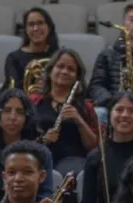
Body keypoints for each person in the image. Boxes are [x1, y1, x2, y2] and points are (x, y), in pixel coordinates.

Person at [81, 91, 133, 203]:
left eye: (132, 111)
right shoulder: (96, 156)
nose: (125, 115)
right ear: (110, 115)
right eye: (119, 110)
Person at [33, 48, 100, 176]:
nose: (64, 71)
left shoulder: (85, 107)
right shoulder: (34, 102)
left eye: (71, 69)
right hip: (38, 159)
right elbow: (23, 140)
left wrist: (79, 120)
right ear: (50, 71)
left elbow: (94, 147)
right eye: (60, 66)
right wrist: (44, 140)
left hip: (73, 162)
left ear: (77, 77)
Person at [89, 2, 133, 105]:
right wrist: (112, 102)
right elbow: (96, 86)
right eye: (132, 19)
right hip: (113, 106)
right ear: (123, 24)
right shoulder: (106, 55)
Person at [4, 6, 60, 92]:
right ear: (26, 30)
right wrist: (28, 76)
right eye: (31, 24)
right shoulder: (13, 58)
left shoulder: (59, 57)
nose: (35, 28)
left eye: (40, 23)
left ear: (49, 27)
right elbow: (13, 89)